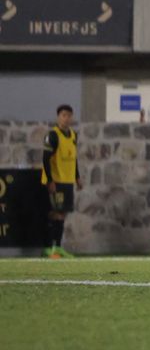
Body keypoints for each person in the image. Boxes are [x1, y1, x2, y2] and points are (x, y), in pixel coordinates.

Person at [39, 104, 80, 258]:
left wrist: (77, 177)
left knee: (61, 213)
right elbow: (45, 159)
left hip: (67, 180)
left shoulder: (73, 135)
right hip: (56, 180)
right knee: (56, 213)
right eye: (63, 115)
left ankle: (55, 247)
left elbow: (74, 158)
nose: (66, 118)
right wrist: (50, 180)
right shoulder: (52, 135)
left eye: (69, 115)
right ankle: (52, 248)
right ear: (58, 117)